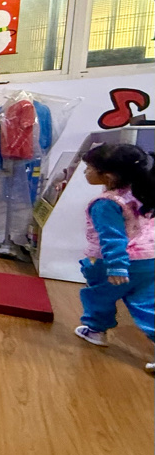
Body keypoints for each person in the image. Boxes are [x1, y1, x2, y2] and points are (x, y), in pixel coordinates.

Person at [73, 143, 155, 372]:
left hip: (112, 263)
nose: (85, 172)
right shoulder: (142, 192)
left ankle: (95, 331)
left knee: (99, 296)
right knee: (147, 304)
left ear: (108, 176)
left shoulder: (106, 204)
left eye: (89, 168)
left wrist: (117, 266)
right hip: (149, 260)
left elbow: (112, 237)